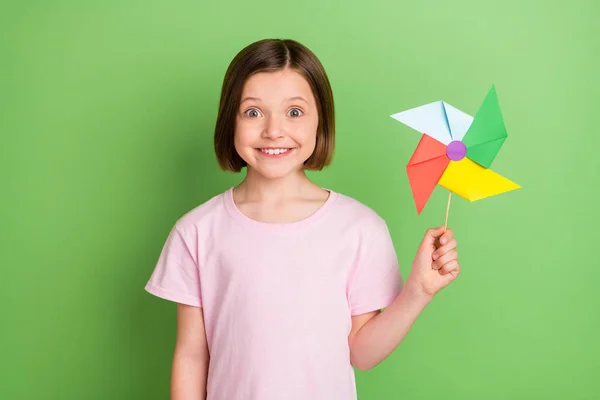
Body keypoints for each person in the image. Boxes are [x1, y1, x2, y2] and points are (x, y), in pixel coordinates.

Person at [145, 38, 460, 400]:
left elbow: (362, 353)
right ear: (229, 119)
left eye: (294, 112)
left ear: (319, 121)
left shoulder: (360, 228)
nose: (273, 130)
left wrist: (417, 291)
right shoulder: (197, 231)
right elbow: (191, 354)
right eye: (253, 112)